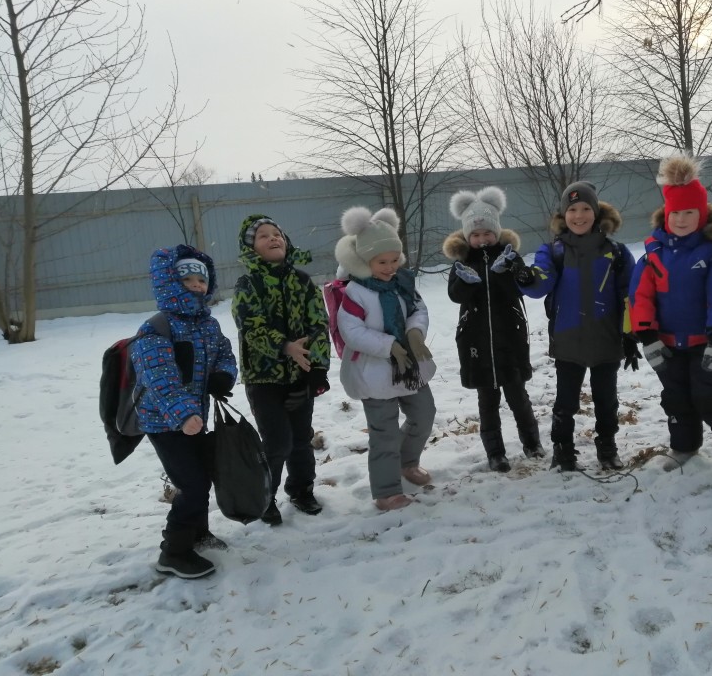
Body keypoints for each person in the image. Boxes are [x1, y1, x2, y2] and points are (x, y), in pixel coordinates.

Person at [629, 154, 712, 478]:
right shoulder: (653, 255)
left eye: (689, 213)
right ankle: (684, 446)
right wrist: (647, 336)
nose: (681, 219)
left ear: (701, 215)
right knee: (676, 397)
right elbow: (640, 297)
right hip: (667, 343)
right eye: (676, 213)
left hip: (706, 342)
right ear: (666, 214)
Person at [512, 181, 639, 472]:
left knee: (606, 400)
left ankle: (607, 447)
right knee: (565, 402)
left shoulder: (616, 252)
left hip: (606, 338)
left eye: (585, 209)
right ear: (563, 214)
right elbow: (541, 282)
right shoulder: (553, 251)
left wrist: (631, 334)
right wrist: (526, 277)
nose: (578, 215)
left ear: (596, 212)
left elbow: (630, 295)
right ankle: (562, 450)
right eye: (572, 210)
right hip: (568, 339)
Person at [132, 246, 238, 579]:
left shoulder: (208, 324)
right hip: (164, 422)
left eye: (201, 280)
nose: (195, 285)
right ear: (170, 283)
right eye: (187, 280)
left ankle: (198, 534)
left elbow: (225, 354)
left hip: (195, 417)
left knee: (203, 475)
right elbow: (159, 378)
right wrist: (182, 415)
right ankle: (173, 552)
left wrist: (223, 375)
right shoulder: (156, 328)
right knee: (191, 484)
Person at [334, 206, 438, 511]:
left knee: (424, 414)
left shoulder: (402, 282)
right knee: (385, 432)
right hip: (373, 372)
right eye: (382, 262)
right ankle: (386, 490)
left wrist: (415, 332)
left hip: (410, 365)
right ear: (365, 260)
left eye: (395, 259)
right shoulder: (355, 291)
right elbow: (351, 330)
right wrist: (389, 345)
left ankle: (407, 461)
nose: (390, 267)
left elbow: (418, 309)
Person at [232, 215, 331, 526]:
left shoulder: (303, 281)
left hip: (301, 373)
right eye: (263, 236)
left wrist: (317, 369)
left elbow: (319, 323)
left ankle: (301, 489)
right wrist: (285, 346)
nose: (273, 238)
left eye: (277, 234)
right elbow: (251, 327)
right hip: (264, 378)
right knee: (277, 443)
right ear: (251, 248)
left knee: (301, 438)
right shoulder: (248, 284)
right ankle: (265, 498)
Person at [443, 186, 543, 472]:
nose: (482, 239)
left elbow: (520, 289)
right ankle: (495, 452)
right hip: (476, 342)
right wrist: (465, 283)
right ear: (467, 237)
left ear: (497, 232)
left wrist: (506, 273)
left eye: (487, 233)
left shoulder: (510, 256)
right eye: (475, 234)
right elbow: (455, 296)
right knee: (487, 401)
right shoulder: (463, 262)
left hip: (509, 339)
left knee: (518, 397)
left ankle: (532, 442)